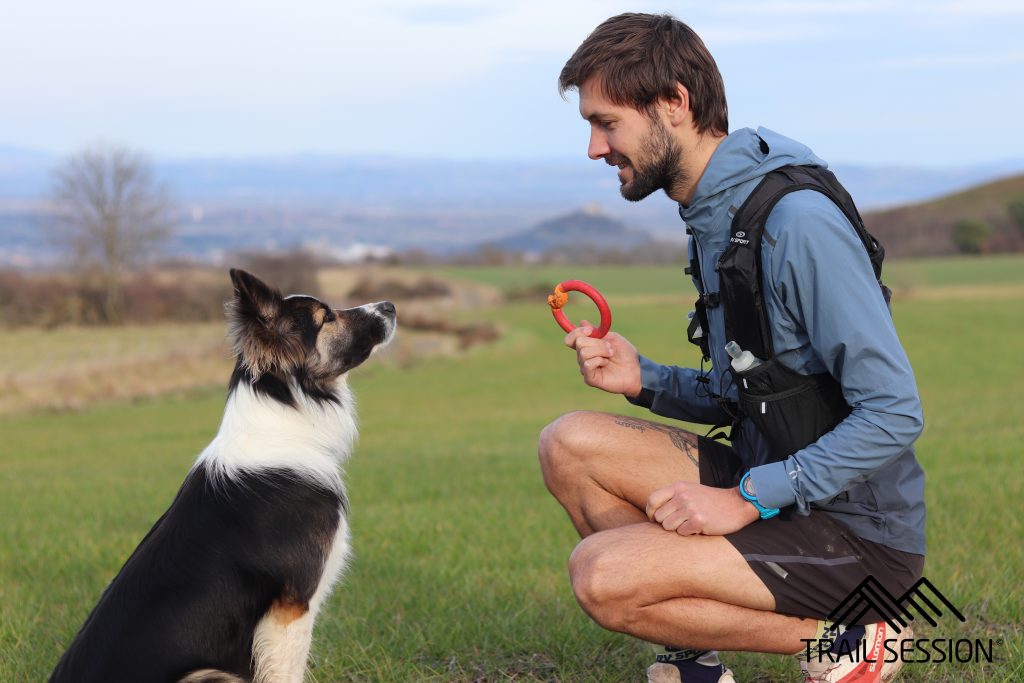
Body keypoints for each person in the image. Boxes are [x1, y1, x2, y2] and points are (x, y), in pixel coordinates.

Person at [538, 12, 926, 683]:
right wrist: (644, 378)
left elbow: (894, 411)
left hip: (856, 529)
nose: (595, 149)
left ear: (674, 104)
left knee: (601, 576)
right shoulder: (717, 216)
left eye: (607, 122)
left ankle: (857, 634)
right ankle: (697, 661)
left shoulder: (797, 224)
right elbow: (748, 389)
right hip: (773, 480)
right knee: (568, 443)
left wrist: (747, 496)